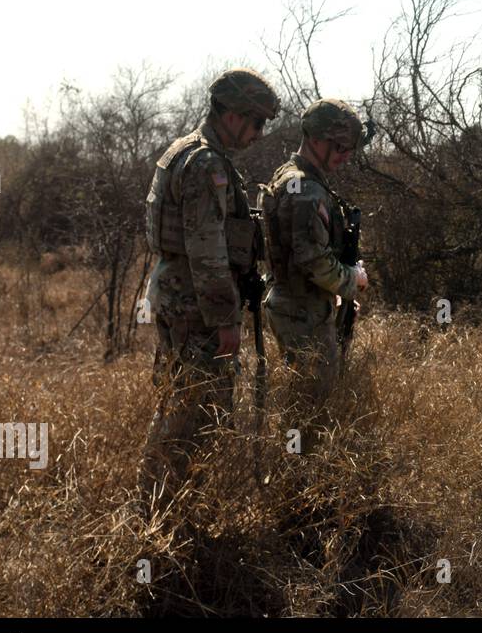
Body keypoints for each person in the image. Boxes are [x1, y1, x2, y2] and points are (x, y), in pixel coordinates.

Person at [137, 68, 279, 517]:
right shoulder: (206, 164)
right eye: (257, 122)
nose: (259, 134)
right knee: (193, 413)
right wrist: (225, 319)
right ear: (234, 115)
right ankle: (167, 516)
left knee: (181, 399)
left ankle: (166, 510)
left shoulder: (189, 152)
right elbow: (207, 252)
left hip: (180, 295)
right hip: (195, 305)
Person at [260, 98, 368, 456]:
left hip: (297, 305)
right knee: (312, 407)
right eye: (339, 146)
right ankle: (298, 484)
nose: (345, 155)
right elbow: (313, 261)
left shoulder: (289, 176)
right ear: (316, 138)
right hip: (303, 312)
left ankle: (294, 471)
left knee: (301, 401)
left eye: (349, 148)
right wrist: (353, 280)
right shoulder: (305, 188)